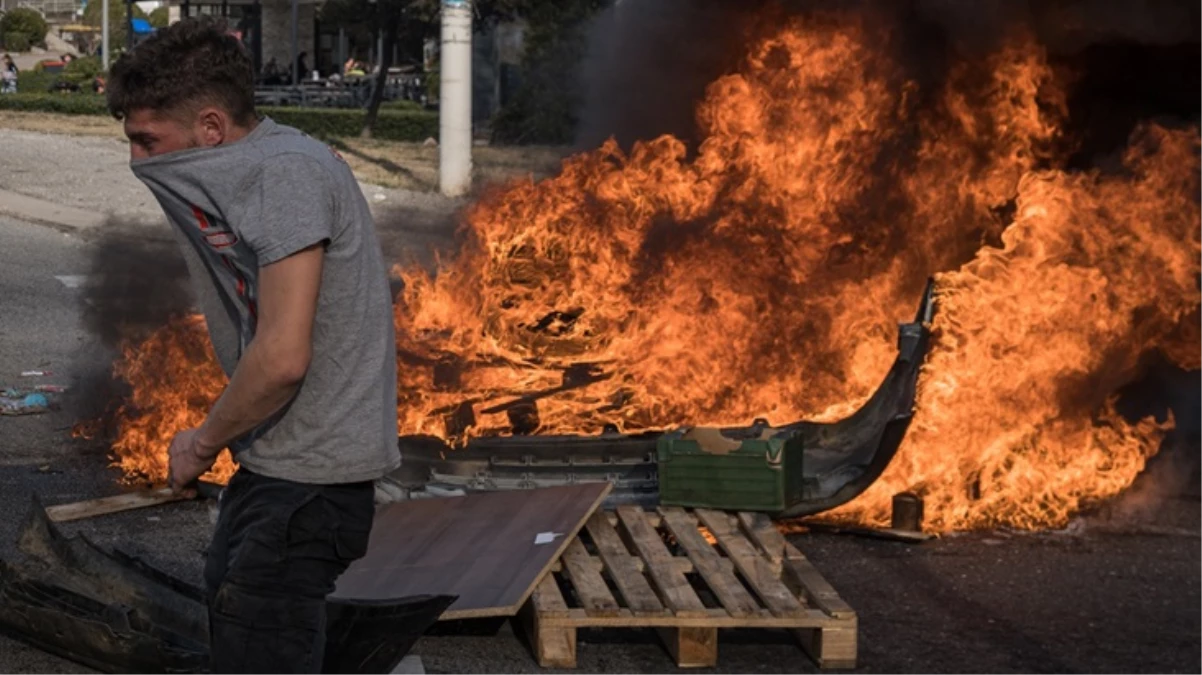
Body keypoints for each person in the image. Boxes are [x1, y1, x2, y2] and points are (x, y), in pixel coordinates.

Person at [105, 17, 400, 673]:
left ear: (211, 129)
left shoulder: (285, 175)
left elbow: (283, 356)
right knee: (232, 610)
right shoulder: (263, 169)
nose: (138, 162)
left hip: (312, 485)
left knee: (259, 645)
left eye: (149, 141)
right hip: (275, 468)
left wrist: (201, 440)